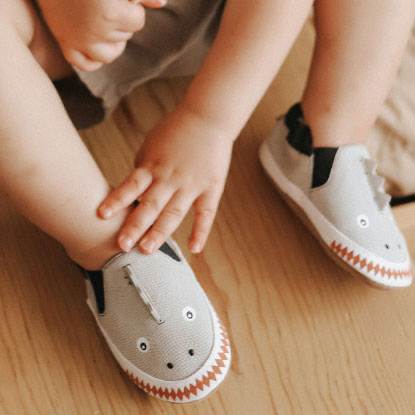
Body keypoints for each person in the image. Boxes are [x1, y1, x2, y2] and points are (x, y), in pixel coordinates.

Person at [0, 0, 413, 402]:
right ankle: (103, 237)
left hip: (241, 26)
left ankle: (327, 136)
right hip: (50, 36)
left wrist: (211, 119)